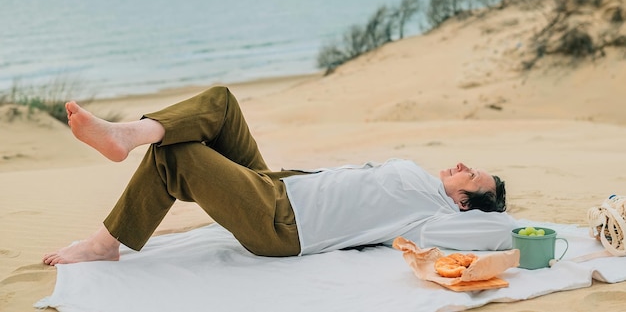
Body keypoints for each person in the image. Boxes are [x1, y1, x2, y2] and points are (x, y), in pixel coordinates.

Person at [43, 86, 516, 266]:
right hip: (276, 186)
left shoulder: (434, 216)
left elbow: (501, 231)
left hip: (282, 224)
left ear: (462, 202)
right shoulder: (428, 186)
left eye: (473, 177)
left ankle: (107, 243)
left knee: (179, 156)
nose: (463, 166)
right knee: (222, 103)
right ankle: (128, 133)